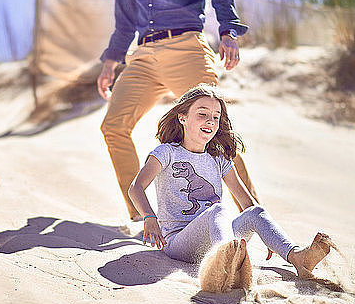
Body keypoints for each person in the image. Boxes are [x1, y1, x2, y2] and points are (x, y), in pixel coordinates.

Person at [98, 0, 259, 221]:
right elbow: (125, 20)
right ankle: (143, 218)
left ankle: (253, 215)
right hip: (144, 54)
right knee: (113, 127)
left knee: (214, 132)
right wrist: (110, 63)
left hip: (185, 46)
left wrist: (228, 32)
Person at [128, 85, 331, 282]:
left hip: (219, 236)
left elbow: (246, 202)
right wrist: (149, 217)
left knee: (256, 212)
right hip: (179, 242)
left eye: (215, 117)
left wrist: (269, 235)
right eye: (202, 114)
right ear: (182, 117)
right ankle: (226, 262)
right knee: (218, 210)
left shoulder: (219, 158)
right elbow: (135, 188)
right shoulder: (167, 152)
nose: (210, 121)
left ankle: (297, 258)